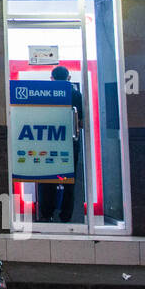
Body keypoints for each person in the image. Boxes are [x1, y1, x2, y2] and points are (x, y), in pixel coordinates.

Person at [37, 66, 85, 224]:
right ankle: (66, 216)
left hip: (49, 144)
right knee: (68, 181)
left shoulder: (45, 94)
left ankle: (46, 214)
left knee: (47, 180)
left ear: (52, 79)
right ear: (69, 78)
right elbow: (82, 122)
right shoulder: (76, 94)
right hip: (70, 144)